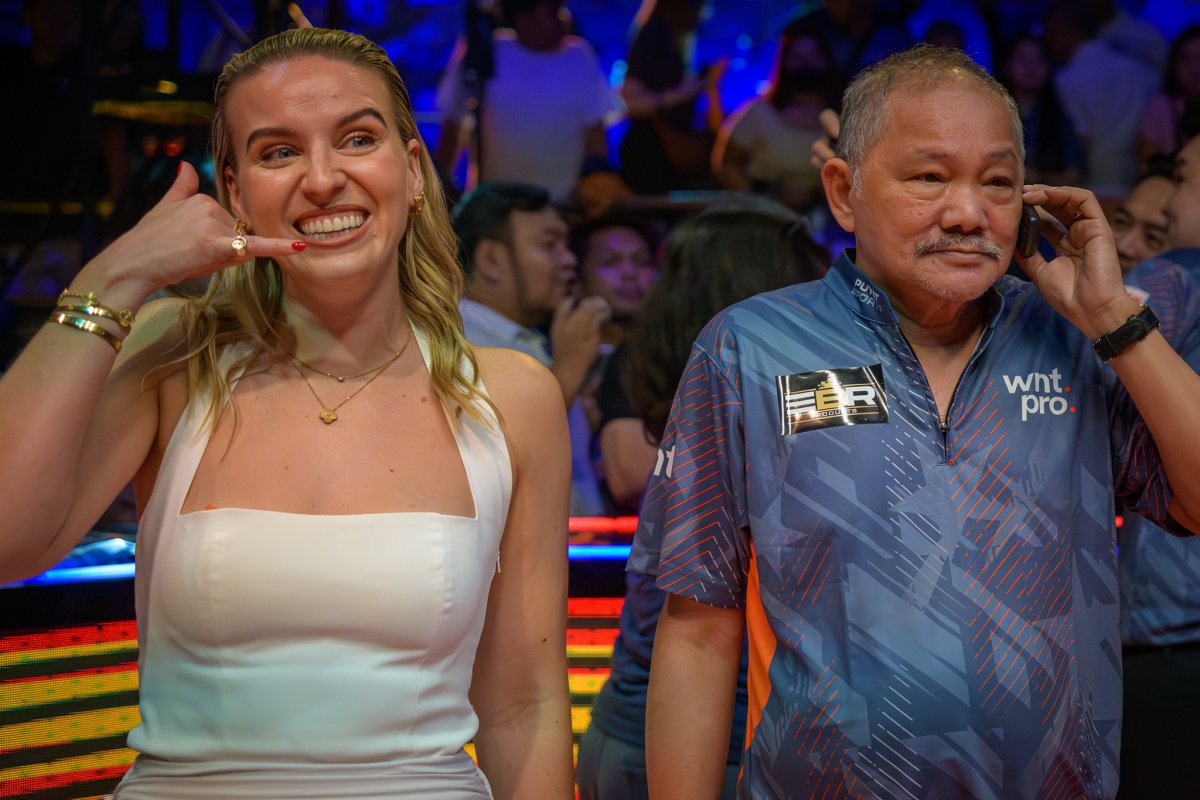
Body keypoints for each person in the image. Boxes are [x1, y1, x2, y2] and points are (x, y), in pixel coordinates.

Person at [0, 27, 573, 799]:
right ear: (236, 194)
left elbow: (524, 709)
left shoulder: (512, 396)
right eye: (279, 152)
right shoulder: (174, 355)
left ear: (411, 170)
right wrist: (117, 274)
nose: (324, 179)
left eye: (357, 139)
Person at [630, 44, 1200, 799]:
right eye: (929, 177)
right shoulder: (753, 347)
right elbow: (698, 629)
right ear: (844, 191)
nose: (967, 213)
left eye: (997, 182)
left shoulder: (1073, 341)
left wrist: (1112, 319)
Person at [576, 197, 830, 800]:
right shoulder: (666, 362)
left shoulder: (814, 377)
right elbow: (628, 474)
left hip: (759, 715)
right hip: (668, 713)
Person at [454, 180, 609, 516]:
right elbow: (493, 453)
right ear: (491, 260)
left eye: (567, 245)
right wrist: (568, 370)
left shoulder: (527, 337)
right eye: (549, 245)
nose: (569, 260)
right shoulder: (457, 337)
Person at [434, 0, 618, 202]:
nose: (565, 19)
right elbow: (452, 129)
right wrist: (441, 197)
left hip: (564, 207)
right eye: (553, 11)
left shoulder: (578, 57)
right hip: (496, 206)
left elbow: (596, 137)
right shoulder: (485, 53)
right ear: (523, 18)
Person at [712, 16, 842, 213]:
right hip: (764, 216)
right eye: (797, 58)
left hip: (822, 218)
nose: (806, 65)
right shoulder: (759, 113)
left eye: (814, 56)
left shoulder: (841, 120)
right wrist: (762, 203)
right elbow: (727, 165)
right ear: (784, 61)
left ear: (828, 60)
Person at [617, 0, 724, 194]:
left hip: (662, 150)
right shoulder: (653, 35)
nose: (702, 16)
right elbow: (628, 101)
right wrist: (690, 90)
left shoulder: (671, 37)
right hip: (649, 152)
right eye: (699, 7)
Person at [1137, 25, 1200, 169]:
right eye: (1186, 59)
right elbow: (1145, 163)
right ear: (1174, 64)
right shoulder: (1160, 107)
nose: (1194, 68)